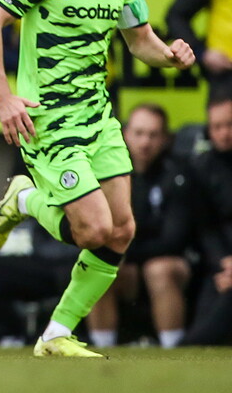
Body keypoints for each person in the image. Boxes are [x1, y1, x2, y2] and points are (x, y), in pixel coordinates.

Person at [0, 0, 196, 357]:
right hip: (49, 118)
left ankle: (56, 335)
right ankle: (25, 200)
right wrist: (3, 97)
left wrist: (171, 55)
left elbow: (140, 42)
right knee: (92, 229)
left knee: (123, 230)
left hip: (98, 117)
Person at [88, 104, 192, 348]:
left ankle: (173, 349)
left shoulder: (179, 174)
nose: (145, 142)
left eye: (153, 135)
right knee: (98, 267)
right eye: (139, 133)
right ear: (125, 134)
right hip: (126, 262)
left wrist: (130, 257)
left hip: (171, 262)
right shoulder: (107, 172)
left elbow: (174, 240)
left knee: (159, 270)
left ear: (166, 139)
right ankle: (102, 350)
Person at [181, 86, 232, 345]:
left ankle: (186, 347)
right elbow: (205, 227)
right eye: (217, 126)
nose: (224, 133)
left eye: (230, 125)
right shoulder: (201, 169)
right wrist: (225, 262)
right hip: (220, 265)